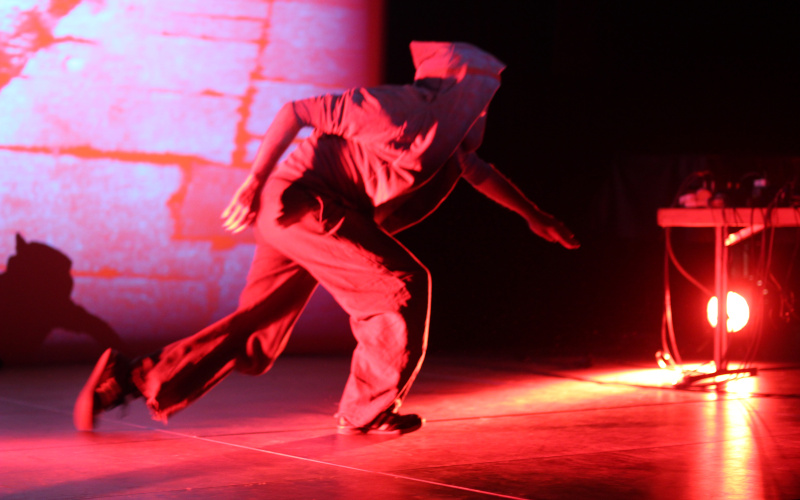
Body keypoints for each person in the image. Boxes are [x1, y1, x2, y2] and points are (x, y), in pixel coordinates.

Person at [74, 41, 579, 435]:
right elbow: (296, 111)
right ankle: (366, 412)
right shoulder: (398, 110)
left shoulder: (449, 135)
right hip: (303, 205)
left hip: (303, 214)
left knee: (257, 335)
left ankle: (126, 381)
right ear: (457, 87)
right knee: (401, 287)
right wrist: (251, 183)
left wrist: (536, 216)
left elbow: (479, 172)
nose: (482, 104)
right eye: (477, 91)